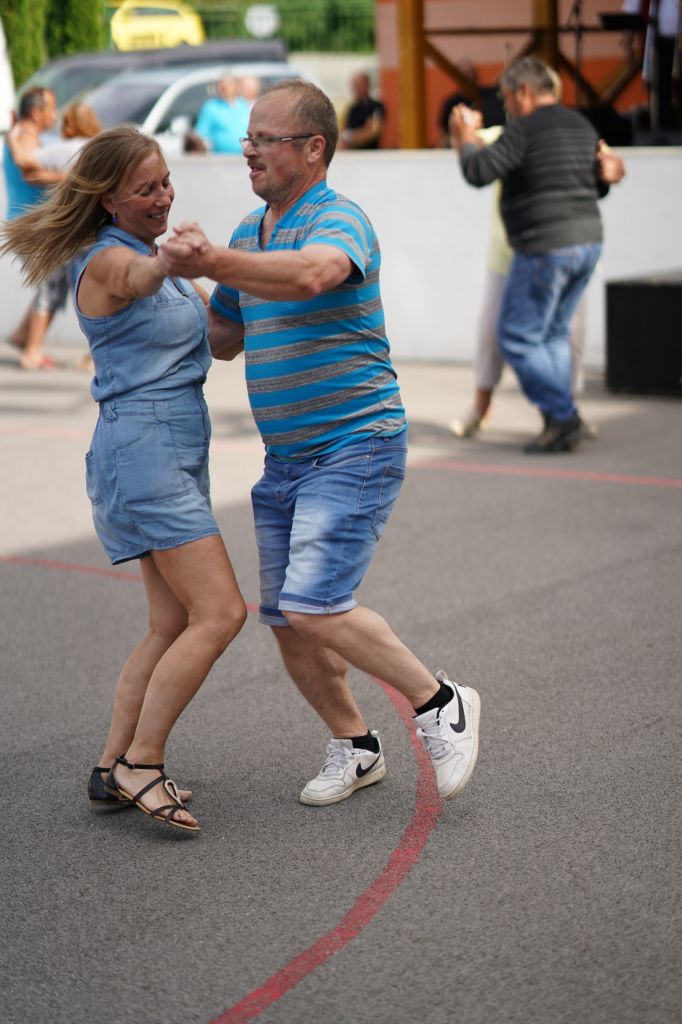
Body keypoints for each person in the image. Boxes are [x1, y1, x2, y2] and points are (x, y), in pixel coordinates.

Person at [158, 80, 481, 808]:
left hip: (355, 444)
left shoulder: (340, 219)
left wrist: (211, 263)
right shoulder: (250, 232)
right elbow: (225, 336)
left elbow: (313, 275)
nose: (248, 151)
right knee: (288, 621)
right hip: (287, 460)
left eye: (264, 140)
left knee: (313, 603)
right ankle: (356, 746)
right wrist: (160, 279)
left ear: (313, 148)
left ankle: (442, 703)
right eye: (248, 138)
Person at [0, 125, 247, 832]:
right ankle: (144, 761)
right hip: (144, 452)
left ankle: (111, 768)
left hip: (172, 447)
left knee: (171, 622)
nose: (163, 196)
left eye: (166, 182)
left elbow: (222, 341)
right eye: (145, 189)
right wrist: (170, 261)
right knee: (221, 613)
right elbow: (138, 281)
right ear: (109, 200)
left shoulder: (159, 257)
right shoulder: (112, 259)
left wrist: (251, 279)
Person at [450, 56, 625, 453]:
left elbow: (478, 171)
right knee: (553, 335)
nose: (506, 105)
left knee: (516, 337)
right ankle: (557, 422)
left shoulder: (524, 130)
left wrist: (465, 138)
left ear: (524, 92)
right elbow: (599, 185)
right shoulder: (580, 125)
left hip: (545, 247)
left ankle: (563, 416)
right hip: (587, 244)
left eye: (506, 97)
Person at [3, 87, 66, 370]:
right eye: (51, 108)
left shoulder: (21, 136)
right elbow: (30, 174)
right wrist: (70, 178)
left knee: (54, 280)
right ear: (36, 113)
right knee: (50, 283)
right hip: (29, 226)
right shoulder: (25, 138)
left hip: (28, 223)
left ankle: (22, 336)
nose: (55, 114)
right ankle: (32, 352)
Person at [621, 0, 680, 133]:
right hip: (658, 43)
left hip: (679, 44)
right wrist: (626, 45)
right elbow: (631, 12)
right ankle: (664, 133)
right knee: (659, 92)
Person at [193, 74, 249, 154]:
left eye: (228, 85)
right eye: (221, 85)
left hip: (244, 155)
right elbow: (200, 135)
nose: (224, 88)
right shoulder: (210, 107)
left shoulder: (244, 104)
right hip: (222, 157)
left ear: (236, 87)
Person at [339, 72, 385, 149]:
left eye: (358, 85)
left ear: (366, 85)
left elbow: (372, 132)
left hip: (369, 151)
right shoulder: (351, 108)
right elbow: (344, 130)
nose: (355, 89)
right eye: (354, 86)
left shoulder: (376, 107)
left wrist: (351, 137)